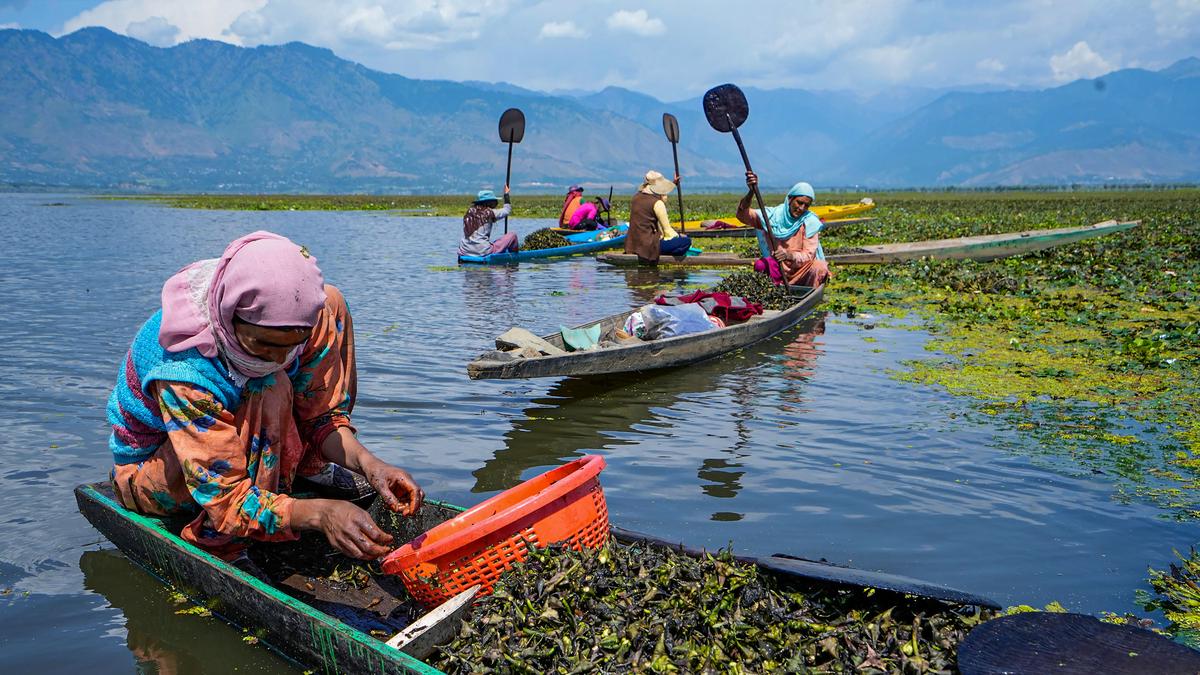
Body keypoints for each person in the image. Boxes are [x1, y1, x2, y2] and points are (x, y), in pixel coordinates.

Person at [106, 231, 424, 563]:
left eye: (291, 346)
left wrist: (371, 465)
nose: (279, 358)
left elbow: (321, 415)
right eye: (264, 344)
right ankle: (223, 543)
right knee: (269, 385)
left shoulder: (302, 320)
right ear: (229, 317)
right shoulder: (186, 369)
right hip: (157, 472)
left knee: (332, 302)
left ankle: (307, 466)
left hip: (241, 433)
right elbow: (226, 497)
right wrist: (319, 514)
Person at [736, 171, 830, 286]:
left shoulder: (810, 222)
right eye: (799, 203)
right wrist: (751, 192)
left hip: (802, 270)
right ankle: (773, 288)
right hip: (778, 269)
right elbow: (743, 215)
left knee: (820, 267)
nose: (801, 208)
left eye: (806, 205)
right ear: (790, 199)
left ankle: (807, 292)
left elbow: (808, 255)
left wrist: (788, 255)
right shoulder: (773, 216)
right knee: (761, 265)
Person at [624, 170, 692, 263]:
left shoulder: (636, 198)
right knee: (686, 242)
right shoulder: (657, 203)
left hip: (632, 245)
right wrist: (680, 236)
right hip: (648, 247)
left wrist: (673, 184)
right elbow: (668, 231)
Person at [459, 187, 515, 257]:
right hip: (482, 251)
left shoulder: (469, 213)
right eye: (494, 202)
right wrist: (506, 194)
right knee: (512, 235)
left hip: (464, 250)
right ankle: (514, 256)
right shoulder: (490, 212)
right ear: (489, 202)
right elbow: (507, 210)